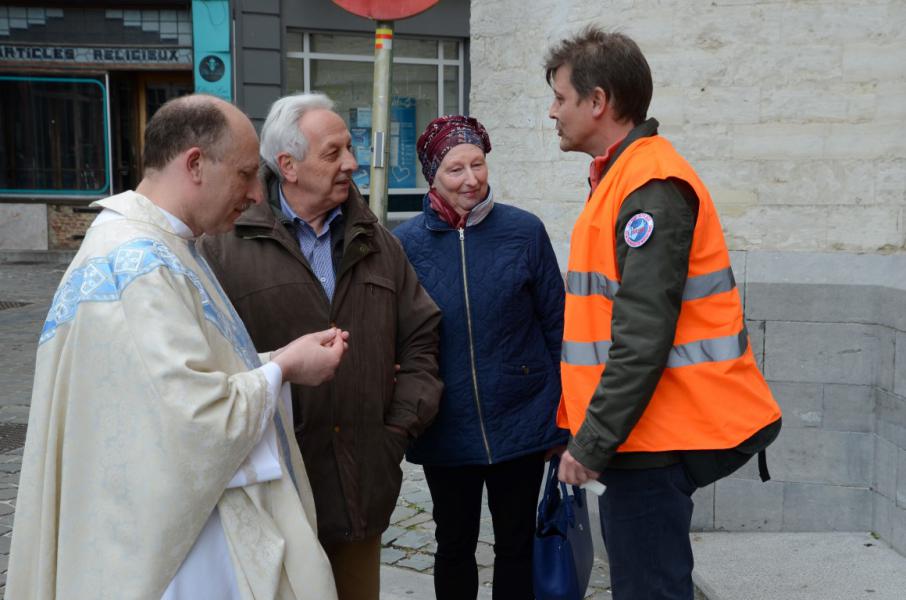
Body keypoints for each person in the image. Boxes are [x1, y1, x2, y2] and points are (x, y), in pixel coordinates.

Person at [5, 94, 347, 600]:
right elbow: (194, 420)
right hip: (175, 555)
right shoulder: (139, 262)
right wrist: (282, 370)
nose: (257, 193)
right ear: (194, 164)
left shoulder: (162, 243)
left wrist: (276, 362)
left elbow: (172, 383)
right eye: (246, 174)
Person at [544, 27, 783, 599]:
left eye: (560, 97)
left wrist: (591, 442)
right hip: (639, 436)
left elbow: (642, 336)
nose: (551, 112)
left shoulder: (648, 184)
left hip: (648, 445)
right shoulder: (624, 176)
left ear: (598, 102)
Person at [197, 92, 443, 600]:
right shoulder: (221, 246)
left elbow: (422, 336)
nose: (351, 163)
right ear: (287, 165)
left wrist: (394, 431)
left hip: (360, 491)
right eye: (334, 153)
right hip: (272, 493)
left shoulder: (377, 240)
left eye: (348, 149)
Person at [394, 115, 567, 600]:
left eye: (478, 164)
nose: (471, 179)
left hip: (523, 416)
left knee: (516, 545)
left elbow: (557, 324)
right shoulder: (404, 244)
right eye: (455, 169)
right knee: (453, 544)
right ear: (433, 175)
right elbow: (396, 336)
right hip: (445, 422)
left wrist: (563, 418)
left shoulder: (524, 231)